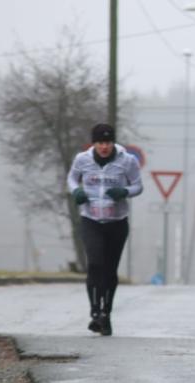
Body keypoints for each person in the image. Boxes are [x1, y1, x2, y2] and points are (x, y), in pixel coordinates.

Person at [66, 123, 143, 336]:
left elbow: (138, 185)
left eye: (108, 142)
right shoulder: (82, 159)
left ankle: (106, 314)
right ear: (94, 143)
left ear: (113, 143)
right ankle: (94, 311)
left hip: (117, 222)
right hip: (90, 219)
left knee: (109, 270)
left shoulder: (127, 161)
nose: (104, 147)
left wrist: (124, 191)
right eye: (100, 142)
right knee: (95, 263)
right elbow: (71, 179)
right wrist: (76, 192)